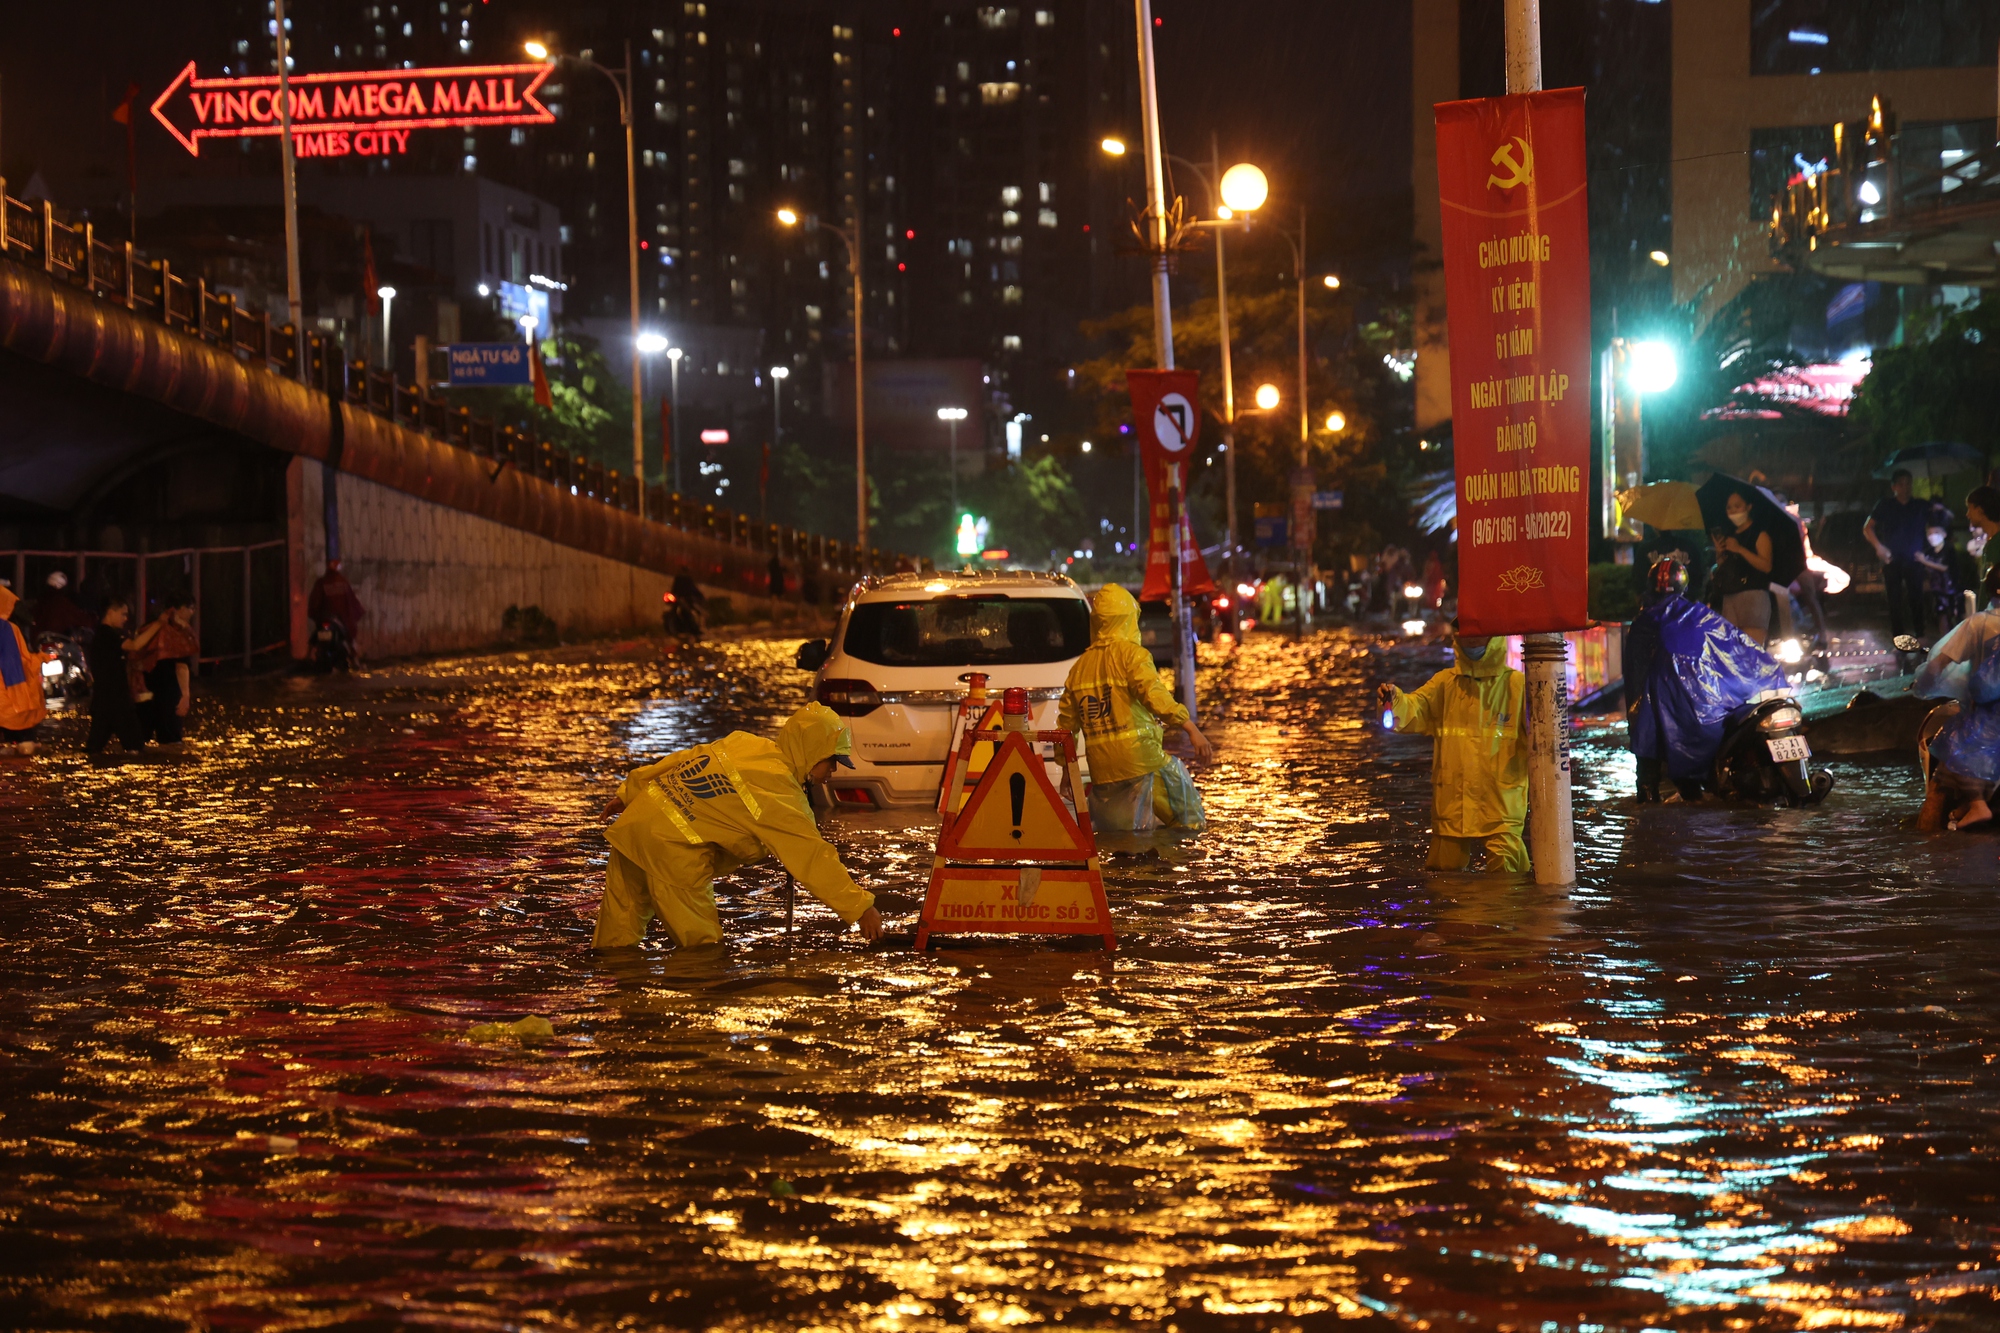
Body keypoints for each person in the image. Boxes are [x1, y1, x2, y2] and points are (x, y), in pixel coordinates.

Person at [593, 702, 884, 948]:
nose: (832, 771)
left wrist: (630, 793)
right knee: (702, 950)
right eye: (831, 761)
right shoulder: (780, 794)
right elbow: (813, 859)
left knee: (615, 938)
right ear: (813, 751)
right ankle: (696, 1008)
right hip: (672, 849)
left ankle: (616, 1002)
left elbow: (688, 758)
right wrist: (861, 908)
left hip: (636, 825)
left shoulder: (747, 744)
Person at [1624, 558, 1788, 802]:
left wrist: (1637, 716)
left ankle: (1649, 811)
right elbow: (1739, 650)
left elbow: (1634, 676)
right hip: (1704, 717)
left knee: (1647, 778)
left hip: (1656, 715)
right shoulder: (1701, 616)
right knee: (1693, 792)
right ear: (1685, 587)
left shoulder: (1645, 621)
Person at [1058, 584, 1212, 831]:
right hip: (1141, 760)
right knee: (1189, 821)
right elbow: (1155, 696)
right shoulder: (1132, 655)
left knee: (1122, 838)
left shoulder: (1079, 668)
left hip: (1102, 771)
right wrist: (1191, 728)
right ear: (1129, 619)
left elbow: (1066, 727)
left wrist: (1067, 770)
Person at [1377, 624, 1529, 871]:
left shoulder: (1518, 686)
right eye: (1464, 634)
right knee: (1444, 879)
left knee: (1508, 880)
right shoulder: (1444, 684)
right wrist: (1394, 700)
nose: (1470, 640)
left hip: (1501, 806)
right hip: (1454, 804)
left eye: (1477, 633)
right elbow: (1414, 709)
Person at [1912, 607, 2000, 832]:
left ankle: (1974, 807)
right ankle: (1965, 808)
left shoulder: (1980, 623)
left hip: (1988, 718)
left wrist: (1924, 683)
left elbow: (1938, 666)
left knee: (1953, 751)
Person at [1864, 468, 1944, 649]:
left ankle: (1920, 634)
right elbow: (1868, 527)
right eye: (1901, 483)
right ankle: (1899, 637)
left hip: (1914, 558)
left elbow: (1935, 527)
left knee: (1916, 596)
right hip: (1892, 558)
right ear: (1894, 487)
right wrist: (1879, 547)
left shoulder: (1920, 505)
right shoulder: (1885, 505)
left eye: (1908, 483)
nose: (1906, 487)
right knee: (1894, 598)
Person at [85, 595, 153, 758]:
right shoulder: (107, 634)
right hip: (116, 701)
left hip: (104, 701)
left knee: (94, 749)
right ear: (111, 612)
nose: (125, 618)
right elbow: (135, 645)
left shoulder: (104, 635)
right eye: (123, 614)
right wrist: (158, 625)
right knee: (136, 748)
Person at [1709, 488, 1777, 647]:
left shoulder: (1760, 534)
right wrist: (1720, 553)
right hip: (1730, 595)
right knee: (1733, 652)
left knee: (1752, 651)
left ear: (1748, 507)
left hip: (1753, 596)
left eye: (1737, 506)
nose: (1733, 511)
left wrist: (1740, 549)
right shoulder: (1730, 534)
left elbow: (1766, 566)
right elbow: (1725, 566)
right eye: (1729, 507)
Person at [134, 595, 200, 749]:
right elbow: (181, 666)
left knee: (142, 742)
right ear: (180, 609)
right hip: (169, 694)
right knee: (171, 743)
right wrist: (185, 695)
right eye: (191, 608)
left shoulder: (149, 628)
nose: (193, 613)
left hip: (145, 693)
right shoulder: (177, 634)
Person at [0, 584, 48, 757]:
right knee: (26, 745)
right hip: (10, 698)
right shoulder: (7, 629)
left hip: (7, 699)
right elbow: (14, 664)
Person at [307, 559, 365, 662]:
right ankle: (354, 655)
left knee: (313, 642)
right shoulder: (342, 582)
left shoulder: (322, 582)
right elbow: (351, 602)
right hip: (339, 620)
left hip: (326, 619)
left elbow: (314, 603)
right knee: (350, 640)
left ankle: (309, 656)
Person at [1964, 484, 2000, 609]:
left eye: (1970, 509)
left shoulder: (1997, 544)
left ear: (1981, 510)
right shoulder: (1989, 545)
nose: (1967, 514)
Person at [30, 570, 93, 639]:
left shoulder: (39, 602)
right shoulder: (61, 603)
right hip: (56, 642)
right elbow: (79, 618)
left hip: (37, 642)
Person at [669, 567, 707, 638]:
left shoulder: (678, 579)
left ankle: (692, 629)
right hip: (682, 599)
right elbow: (693, 590)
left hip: (679, 599)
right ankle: (693, 629)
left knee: (690, 612)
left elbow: (674, 589)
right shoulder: (687, 580)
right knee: (690, 612)